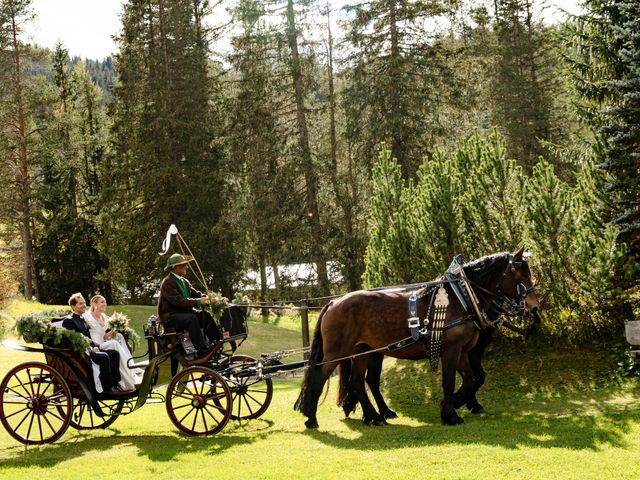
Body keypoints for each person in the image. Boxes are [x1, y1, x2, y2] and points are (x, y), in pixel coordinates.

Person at [62, 293, 131, 394]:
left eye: (84, 303)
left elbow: (89, 337)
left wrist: (95, 346)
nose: (84, 305)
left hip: (91, 348)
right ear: (73, 306)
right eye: (80, 303)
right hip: (81, 352)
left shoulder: (82, 319)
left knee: (114, 353)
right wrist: (91, 348)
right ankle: (108, 388)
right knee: (104, 356)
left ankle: (116, 384)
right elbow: (75, 339)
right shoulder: (69, 321)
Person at [157, 253, 217, 358]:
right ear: (175, 267)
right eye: (183, 265)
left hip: (184, 313)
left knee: (205, 315)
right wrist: (199, 301)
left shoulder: (184, 281)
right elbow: (178, 301)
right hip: (171, 316)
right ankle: (201, 350)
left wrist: (210, 298)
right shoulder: (167, 282)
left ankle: (216, 342)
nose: (186, 267)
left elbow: (196, 294)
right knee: (192, 319)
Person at [83, 295, 143, 389]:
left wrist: (114, 330)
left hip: (104, 342)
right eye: (102, 302)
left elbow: (105, 336)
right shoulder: (87, 316)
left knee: (117, 338)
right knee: (114, 343)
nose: (105, 304)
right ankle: (131, 367)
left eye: (105, 302)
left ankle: (129, 370)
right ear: (95, 303)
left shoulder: (104, 317)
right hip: (97, 345)